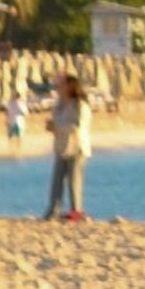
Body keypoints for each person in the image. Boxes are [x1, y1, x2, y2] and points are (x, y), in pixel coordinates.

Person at [44, 72, 92, 221]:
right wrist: (52, 127)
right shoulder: (60, 105)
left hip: (77, 148)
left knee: (74, 181)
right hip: (62, 147)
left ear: (70, 86)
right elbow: (58, 124)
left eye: (61, 84)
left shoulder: (80, 106)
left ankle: (76, 211)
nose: (58, 87)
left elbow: (77, 126)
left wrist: (57, 126)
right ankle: (53, 210)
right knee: (56, 180)